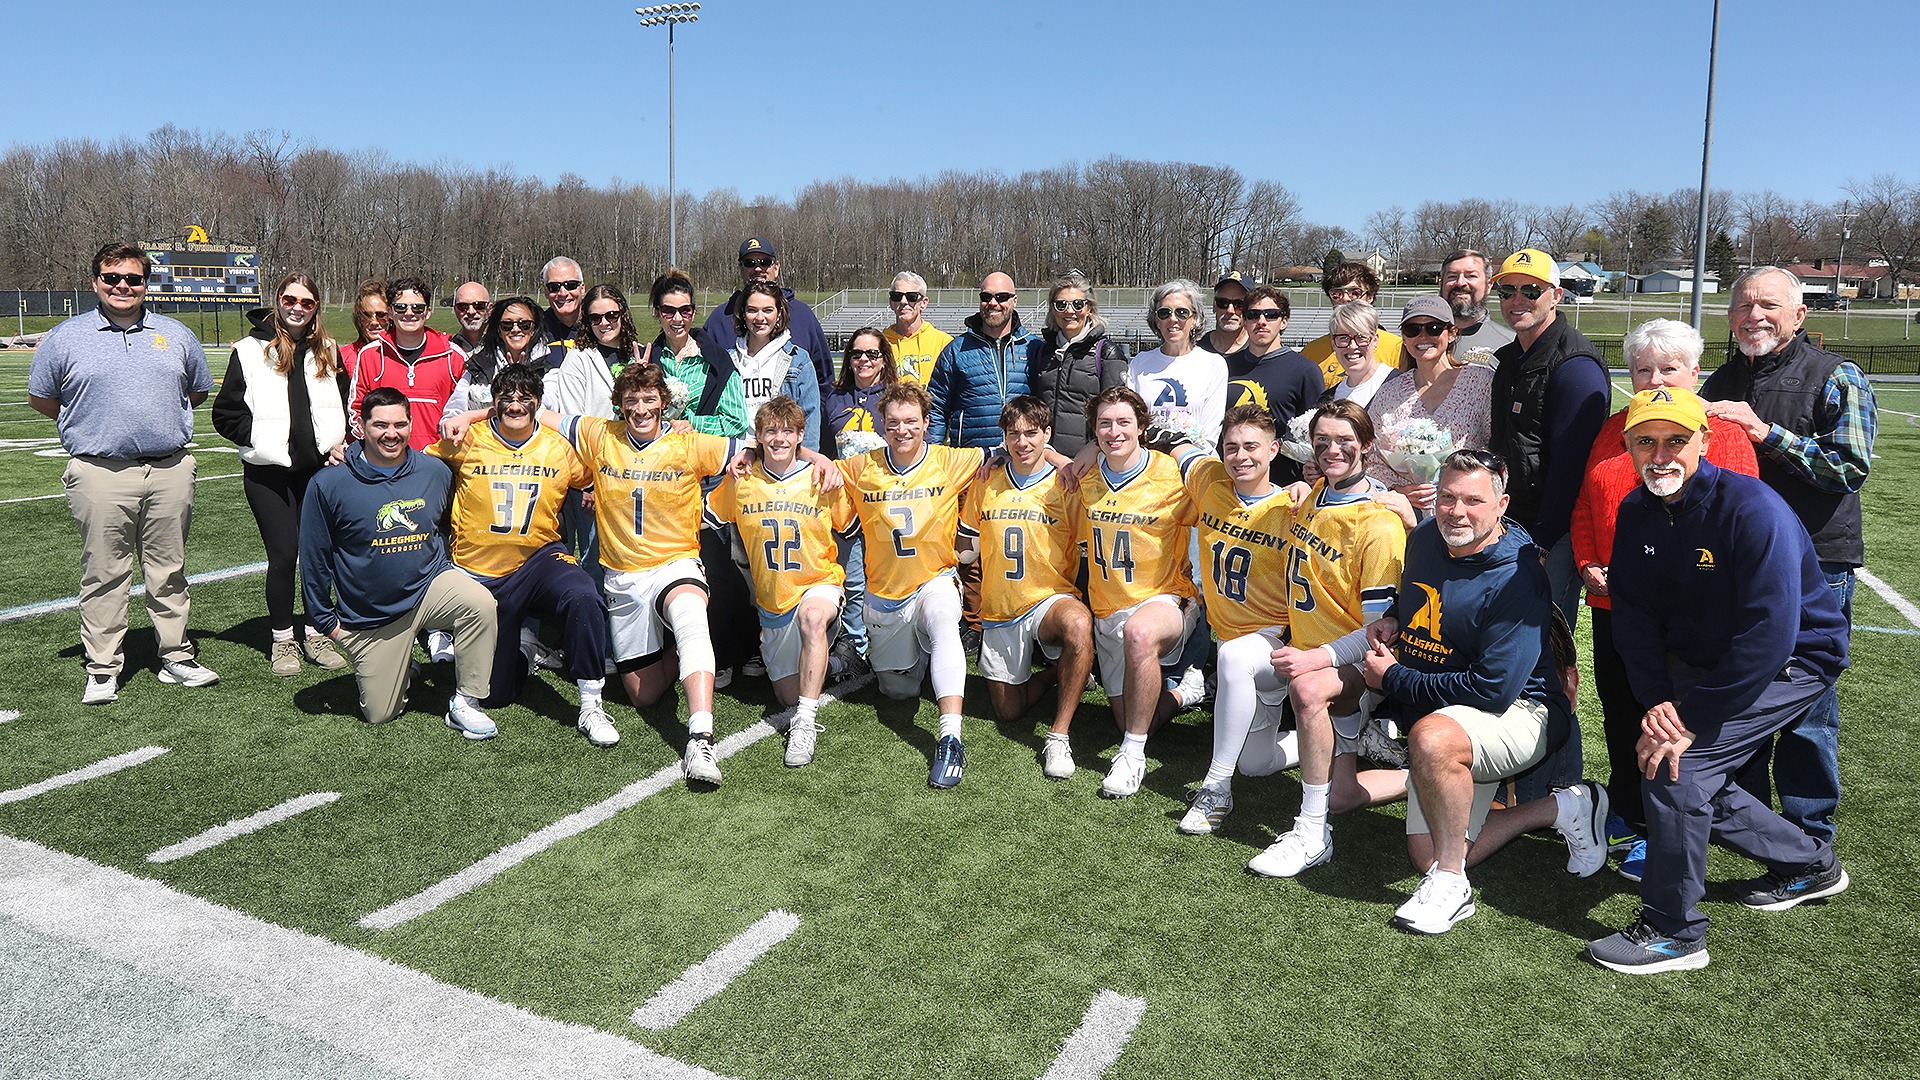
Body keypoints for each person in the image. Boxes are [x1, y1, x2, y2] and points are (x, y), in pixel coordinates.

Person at [1585, 387, 1850, 974]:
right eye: (1646, 441)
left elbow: (1770, 636)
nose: (1662, 455)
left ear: (1705, 441)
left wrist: (1687, 719)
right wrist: (1657, 703)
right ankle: (1808, 864)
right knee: (1687, 767)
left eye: (1677, 440)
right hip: (1710, 658)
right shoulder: (1634, 510)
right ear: (1626, 445)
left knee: (1678, 768)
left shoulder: (1751, 508)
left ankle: (1674, 932)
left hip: (1795, 657)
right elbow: (1634, 620)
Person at [1570, 319, 1758, 878]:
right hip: (1612, 605)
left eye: (1669, 368)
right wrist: (1586, 564)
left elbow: (1737, 520)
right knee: (1622, 708)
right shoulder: (1612, 429)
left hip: (1685, 613)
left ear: (1694, 373)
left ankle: (1668, 826)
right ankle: (1629, 809)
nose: (1655, 378)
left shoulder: (1720, 432)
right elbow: (1585, 505)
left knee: (1669, 719)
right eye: (1644, 369)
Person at [1700, 266, 1877, 847]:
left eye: (1769, 305)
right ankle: (1750, 822)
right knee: (1741, 691)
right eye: (1743, 306)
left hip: (1815, 564)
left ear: (1799, 315)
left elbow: (1850, 467)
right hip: (1732, 564)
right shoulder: (1720, 379)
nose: (1755, 316)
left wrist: (1767, 434)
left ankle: (1808, 834)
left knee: (1805, 702)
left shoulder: (1835, 375)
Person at [1361, 450, 1571, 935]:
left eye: (1473, 501)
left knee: (1432, 740)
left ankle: (1452, 886)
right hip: (1450, 707)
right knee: (1423, 853)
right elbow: (1419, 594)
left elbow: (1492, 690)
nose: (1456, 511)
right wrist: (1395, 614)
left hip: (1523, 709)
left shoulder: (1520, 577)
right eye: (1447, 497)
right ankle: (1563, 807)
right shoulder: (1425, 538)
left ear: (1502, 505)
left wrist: (1392, 679)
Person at [28, 241, 220, 703]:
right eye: (112, 278)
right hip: (99, 470)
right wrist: (95, 426)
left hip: (170, 468)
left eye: (133, 278)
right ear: (95, 282)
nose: (122, 286)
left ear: (145, 283)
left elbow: (196, 391)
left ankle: (175, 655)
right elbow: (42, 398)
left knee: (168, 569)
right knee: (104, 572)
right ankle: (102, 666)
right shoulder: (65, 336)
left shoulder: (174, 333)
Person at [1236, 403, 1415, 865]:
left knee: (1309, 688)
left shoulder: (1377, 520)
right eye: (1323, 441)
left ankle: (1312, 831)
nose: (1332, 449)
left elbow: (1378, 632)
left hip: (1354, 659)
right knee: (1344, 797)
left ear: (1368, 446)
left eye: (1344, 441)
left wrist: (1319, 658)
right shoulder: (1314, 493)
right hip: (1310, 646)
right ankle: (1419, 775)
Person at [548, 364, 742, 784]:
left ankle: (701, 738)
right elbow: (534, 415)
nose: (641, 408)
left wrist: (818, 458)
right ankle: (672, 646)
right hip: (623, 575)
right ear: (619, 403)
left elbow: (756, 449)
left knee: (691, 617)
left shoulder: (690, 443)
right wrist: (468, 417)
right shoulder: (600, 433)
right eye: (632, 400)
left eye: (649, 399)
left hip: (675, 562)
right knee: (643, 694)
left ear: (664, 402)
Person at [427, 365, 613, 746]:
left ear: (538, 403)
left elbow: (598, 472)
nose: (515, 405)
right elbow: (415, 465)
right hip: (478, 574)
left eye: (524, 398)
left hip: (539, 560)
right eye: (506, 398)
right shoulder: (467, 439)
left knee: (582, 594)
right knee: (497, 695)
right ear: (493, 404)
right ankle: (522, 650)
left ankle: (591, 704)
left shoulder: (558, 445)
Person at [299, 388, 498, 737]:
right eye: (380, 425)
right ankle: (400, 661)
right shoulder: (329, 482)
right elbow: (314, 557)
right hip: (373, 615)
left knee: (479, 602)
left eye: (399, 424)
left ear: (409, 425)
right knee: (380, 714)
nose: (391, 433)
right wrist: (324, 620)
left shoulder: (435, 471)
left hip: (429, 588)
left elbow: (446, 526)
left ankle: (467, 700)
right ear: (360, 427)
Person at [837, 380, 983, 789]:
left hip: (934, 580)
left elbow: (1011, 450)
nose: (903, 430)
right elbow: (815, 467)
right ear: (882, 424)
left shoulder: (950, 460)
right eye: (894, 422)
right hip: (885, 597)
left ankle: (951, 738)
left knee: (941, 619)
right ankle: (914, 656)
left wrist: (1069, 459)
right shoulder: (859, 466)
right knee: (897, 692)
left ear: (926, 423)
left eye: (912, 422)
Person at [1162, 404, 1299, 833]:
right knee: (1257, 764)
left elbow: (1356, 500)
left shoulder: (1295, 507)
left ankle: (1216, 788)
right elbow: (1176, 444)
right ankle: (1331, 740)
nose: (1241, 456)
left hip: (1278, 644)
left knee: (1234, 656)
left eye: (1252, 447)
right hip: (1235, 651)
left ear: (1275, 449)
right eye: (1232, 447)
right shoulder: (1210, 481)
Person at [211, 271, 353, 677]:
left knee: (316, 557)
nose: (297, 308)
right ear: (278, 301)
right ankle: (282, 639)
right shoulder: (249, 349)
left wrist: (337, 441)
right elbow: (225, 414)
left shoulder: (327, 349)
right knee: (284, 555)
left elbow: (340, 405)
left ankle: (316, 632)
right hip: (267, 474)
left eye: (307, 303)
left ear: (316, 308)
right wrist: (257, 439)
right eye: (290, 300)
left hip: (318, 474)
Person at [708, 396, 859, 766]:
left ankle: (805, 725)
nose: (778, 439)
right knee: (787, 696)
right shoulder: (741, 480)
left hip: (818, 583)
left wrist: (824, 463)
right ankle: (841, 663)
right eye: (770, 431)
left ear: (800, 436)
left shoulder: (819, 477)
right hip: (773, 601)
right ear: (758, 436)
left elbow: (851, 527)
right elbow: (709, 516)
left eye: (787, 431)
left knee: (812, 620)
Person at [959, 396, 1096, 780]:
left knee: (1077, 624)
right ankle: (1060, 672)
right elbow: (967, 546)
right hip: (1001, 607)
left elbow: (1088, 549)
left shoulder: (1066, 485)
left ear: (1047, 435)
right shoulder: (986, 481)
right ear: (1004, 437)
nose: (1022, 442)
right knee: (1009, 711)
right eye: (1014, 434)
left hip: (1048, 597)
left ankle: (1058, 735)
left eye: (1031, 433)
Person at [1079, 387, 1201, 799]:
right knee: (1131, 717)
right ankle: (1187, 691)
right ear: (1093, 431)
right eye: (1105, 423)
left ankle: (1132, 756)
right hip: (1107, 607)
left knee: (1140, 634)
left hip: (1164, 598)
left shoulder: (1170, 473)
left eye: (1124, 422)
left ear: (1143, 427)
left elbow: (1226, 495)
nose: (1114, 432)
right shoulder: (1085, 477)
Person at [1488, 248, 1609, 629]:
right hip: (1509, 519)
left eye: (1531, 290)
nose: (1517, 300)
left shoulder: (1575, 367)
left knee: (1542, 643)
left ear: (1556, 295)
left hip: (1549, 532)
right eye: (1507, 291)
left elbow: (1572, 469)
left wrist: (1541, 539)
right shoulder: (1508, 359)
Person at [1366, 297, 1496, 515]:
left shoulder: (1481, 382)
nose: (1423, 336)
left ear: (1452, 333)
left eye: (1434, 328)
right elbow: (1370, 457)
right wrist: (1399, 489)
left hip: (1466, 513)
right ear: (1404, 337)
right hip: (1405, 515)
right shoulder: (1389, 392)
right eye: (1412, 329)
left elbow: (1499, 447)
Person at [820, 329, 898, 677]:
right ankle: (854, 644)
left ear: (885, 359)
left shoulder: (896, 397)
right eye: (856, 353)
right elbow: (823, 451)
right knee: (852, 577)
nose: (864, 360)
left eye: (872, 354)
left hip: (886, 502)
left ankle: (889, 640)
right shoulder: (834, 398)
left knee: (887, 574)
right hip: (845, 506)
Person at [347, 276, 464, 451]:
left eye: (418, 308)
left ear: (428, 312)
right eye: (401, 307)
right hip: (385, 460)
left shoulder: (453, 356)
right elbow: (357, 409)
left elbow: (467, 410)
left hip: (439, 460)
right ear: (391, 312)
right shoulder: (370, 355)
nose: (409, 313)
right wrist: (376, 446)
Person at [702, 237, 833, 389]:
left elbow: (824, 379)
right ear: (741, 269)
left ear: (776, 268)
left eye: (765, 262)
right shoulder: (720, 318)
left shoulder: (803, 315)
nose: (757, 268)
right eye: (749, 263)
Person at [1222, 285, 1321, 484]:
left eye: (1271, 315)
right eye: (1253, 315)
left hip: (1284, 484)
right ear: (1244, 321)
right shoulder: (1224, 366)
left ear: (1284, 321)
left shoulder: (1305, 371)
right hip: (1231, 479)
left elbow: (1317, 431)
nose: (1261, 322)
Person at [927, 271, 1037, 449]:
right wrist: (932, 454)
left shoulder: (1033, 347)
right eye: (986, 297)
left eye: (1001, 297)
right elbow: (936, 407)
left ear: (1014, 300)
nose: (993, 303)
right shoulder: (956, 350)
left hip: (1021, 458)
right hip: (973, 461)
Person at [1028, 271, 1129, 455]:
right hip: (1047, 460)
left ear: (1088, 308)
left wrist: (1095, 449)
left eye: (1077, 304)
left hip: (1090, 461)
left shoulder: (1107, 353)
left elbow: (1118, 415)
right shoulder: (1042, 352)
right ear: (1052, 309)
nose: (1069, 311)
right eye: (1061, 305)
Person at [641, 270, 745, 438]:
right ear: (657, 314)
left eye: (685, 310)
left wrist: (692, 423)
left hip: (701, 457)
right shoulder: (646, 359)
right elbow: (623, 411)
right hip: (656, 457)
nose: (677, 319)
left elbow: (737, 422)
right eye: (668, 310)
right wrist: (634, 383)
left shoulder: (717, 361)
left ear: (693, 312)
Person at [1128, 278, 1228, 449]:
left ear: (1195, 319)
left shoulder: (1214, 365)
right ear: (1157, 321)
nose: (1173, 319)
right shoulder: (1139, 363)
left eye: (1182, 312)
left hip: (1195, 462)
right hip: (1149, 464)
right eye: (1164, 313)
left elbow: (1210, 435)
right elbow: (1130, 422)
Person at [729, 281, 822, 449]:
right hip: (738, 456)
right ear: (743, 313)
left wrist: (805, 463)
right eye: (752, 310)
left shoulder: (797, 359)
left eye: (767, 310)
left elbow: (810, 417)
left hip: (781, 456)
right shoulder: (728, 360)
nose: (759, 318)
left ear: (779, 313)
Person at [546, 285, 643, 418]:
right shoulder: (577, 359)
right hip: (598, 437)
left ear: (623, 315)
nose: (604, 323)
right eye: (595, 318)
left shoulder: (641, 353)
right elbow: (572, 418)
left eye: (612, 316)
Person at [1303, 262, 1403, 390]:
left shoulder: (1397, 348)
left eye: (1355, 292)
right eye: (1337, 293)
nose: (1345, 298)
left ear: (1370, 297)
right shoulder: (1311, 352)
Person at [449, 296, 550, 415]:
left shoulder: (548, 370)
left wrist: (519, 378)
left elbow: (545, 409)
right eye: (507, 325)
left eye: (524, 324)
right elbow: (453, 411)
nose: (516, 329)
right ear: (499, 331)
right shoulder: (478, 366)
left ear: (534, 329)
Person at [1438, 249, 1514, 362]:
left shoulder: (1510, 345)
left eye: (1471, 276)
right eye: (1452, 276)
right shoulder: (1419, 337)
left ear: (1488, 286)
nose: (1460, 283)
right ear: (1441, 284)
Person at [881, 271, 952, 385]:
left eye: (911, 297)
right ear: (891, 302)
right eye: (897, 296)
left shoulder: (944, 343)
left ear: (924, 303)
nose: (903, 301)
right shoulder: (880, 343)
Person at [1321, 302, 1393, 409]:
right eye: (1343, 338)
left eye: (1361, 337)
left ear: (1375, 340)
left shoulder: (1397, 385)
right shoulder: (1328, 399)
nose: (1352, 346)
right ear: (1333, 343)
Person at [1196, 271, 1252, 357]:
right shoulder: (1197, 349)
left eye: (1239, 304)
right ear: (1214, 305)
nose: (1230, 310)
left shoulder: (1258, 350)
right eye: (1223, 303)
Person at [341, 281, 389, 377]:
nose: (374, 322)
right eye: (366, 315)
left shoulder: (401, 355)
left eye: (381, 315)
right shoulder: (343, 357)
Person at [538, 256, 586, 348]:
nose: (563, 293)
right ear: (546, 292)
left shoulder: (600, 325)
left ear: (582, 289)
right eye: (554, 287)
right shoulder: (537, 331)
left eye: (571, 285)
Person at [449, 281, 490, 357]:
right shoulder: (448, 349)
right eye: (463, 306)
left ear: (490, 309)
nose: (471, 312)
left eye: (479, 306)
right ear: (455, 310)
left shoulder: (505, 345)